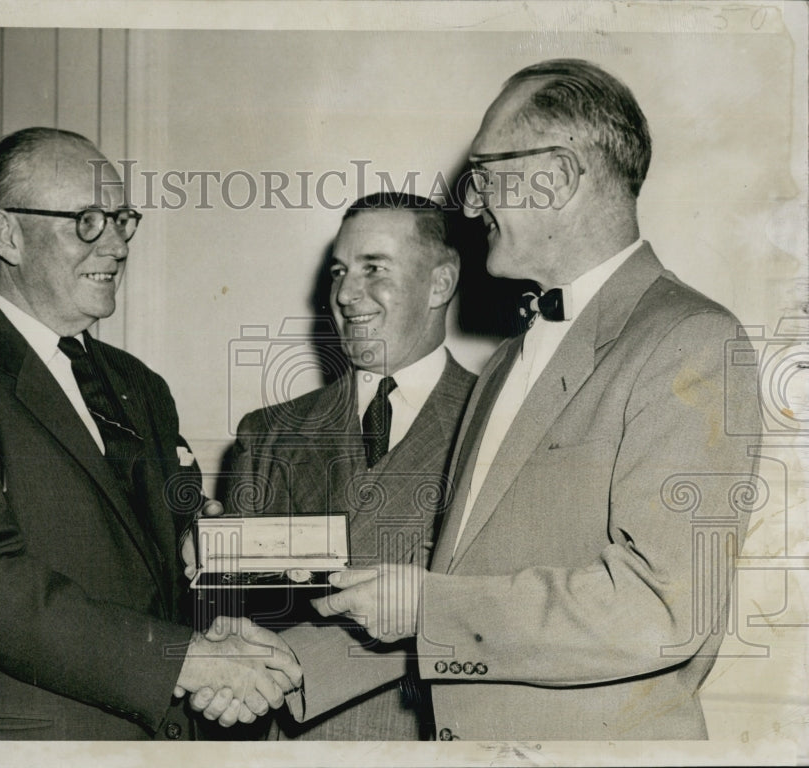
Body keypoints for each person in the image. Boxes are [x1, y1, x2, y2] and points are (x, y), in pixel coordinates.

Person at [295, 59, 761, 740]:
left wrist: (428, 606)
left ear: (560, 176)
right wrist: (288, 664)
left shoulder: (690, 339)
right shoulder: (507, 362)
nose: (473, 205)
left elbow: (661, 610)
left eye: (485, 176)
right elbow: (466, 593)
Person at [0, 127, 301, 740]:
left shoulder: (141, 387)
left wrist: (214, 615)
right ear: (7, 235)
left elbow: (158, 561)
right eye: (86, 220)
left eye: (121, 219)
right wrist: (186, 660)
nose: (114, 244)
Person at [194, 193, 477, 739]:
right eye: (340, 271)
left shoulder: (499, 423)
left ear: (440, 283)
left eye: (374, 268)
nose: (347, 294)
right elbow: (229, 612)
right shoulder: (268, 434)